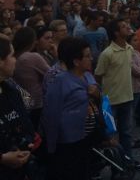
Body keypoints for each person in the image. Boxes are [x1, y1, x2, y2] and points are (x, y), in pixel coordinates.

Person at [94, 19, 140, 171]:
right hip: (109, 101)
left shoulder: (129, 48)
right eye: (123, 26)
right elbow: (98, 75)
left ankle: (128, 161)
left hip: (127, 97)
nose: (128, 27)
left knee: (127, 133)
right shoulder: (107, 53)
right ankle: (116, 165)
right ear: (116, 33)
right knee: (111, 136)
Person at [41, 37, 94, 180]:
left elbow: (100, 102)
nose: (91, 58)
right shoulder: (59, 81)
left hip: (85, 137)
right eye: (87, 56)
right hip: (67, 143)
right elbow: (51, 115)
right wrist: (51, 147)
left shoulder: (88, 76)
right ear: (76, 61)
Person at [0, 34, 36, 180]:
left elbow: (26, 125)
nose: (16, 60)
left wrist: (24, 148)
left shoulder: (12, 90)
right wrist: (2, 158)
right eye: (12, 55)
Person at [12, 27, 50, 130]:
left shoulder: (13, 57)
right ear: (33, 42)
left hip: (20, 103)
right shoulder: (32, 57)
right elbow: (52, 75)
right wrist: (56, 57)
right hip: (36, 104)